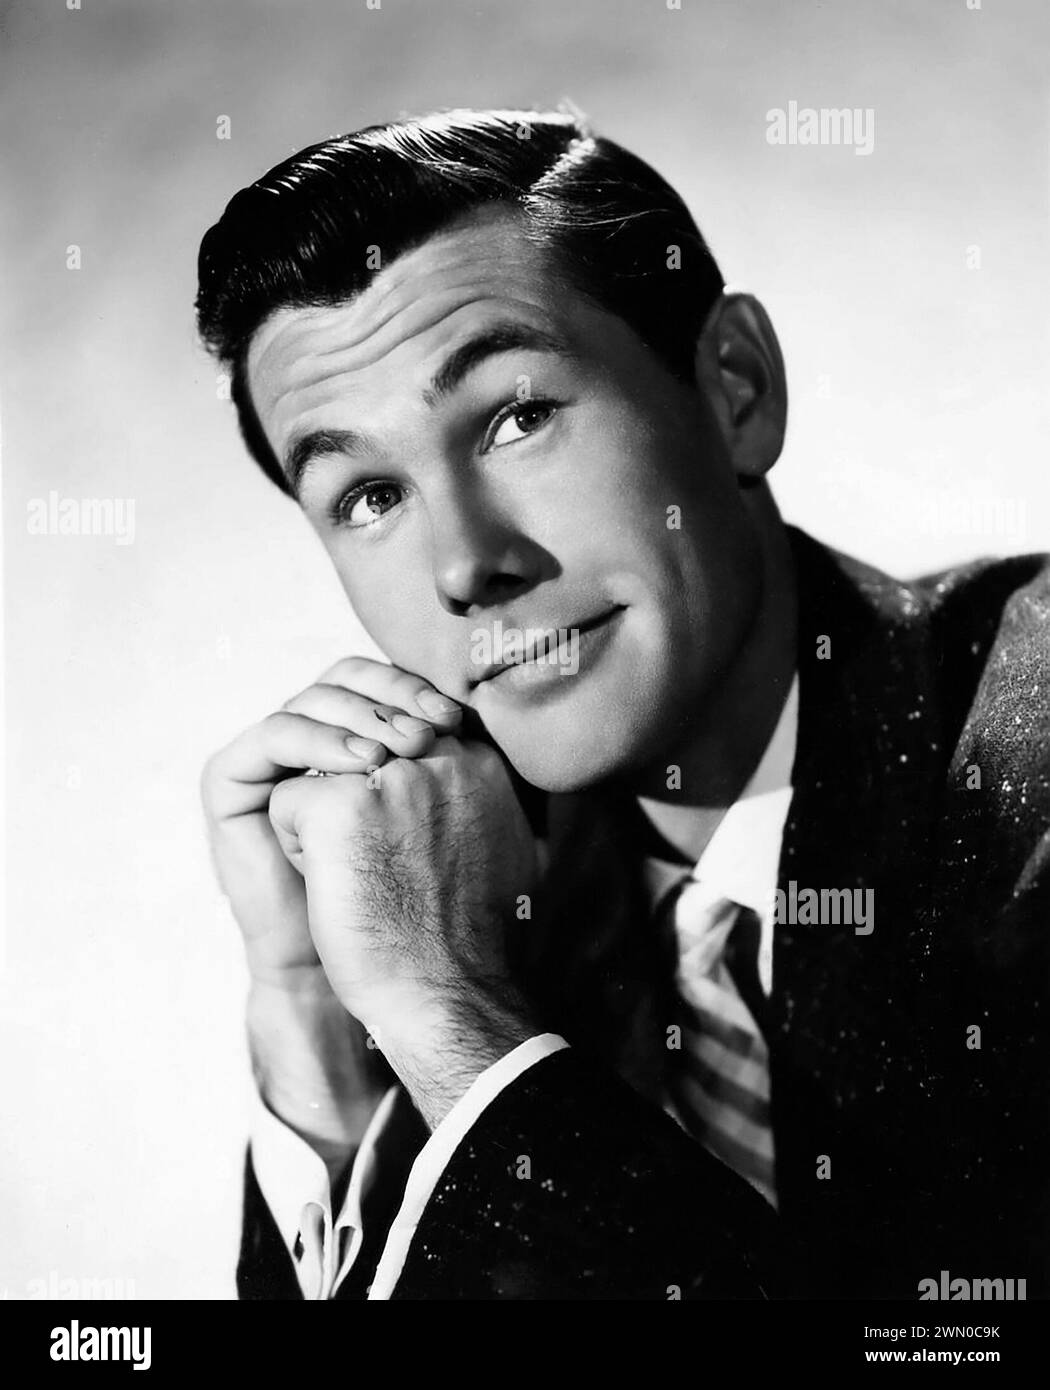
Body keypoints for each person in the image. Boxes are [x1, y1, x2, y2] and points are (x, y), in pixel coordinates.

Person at [196, 108, 1049, 1300]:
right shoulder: (466, 899)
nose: (462, 565)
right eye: (370, 495)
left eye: (516, 417)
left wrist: (459, 1033)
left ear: (734, 389)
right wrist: (324, 1036)